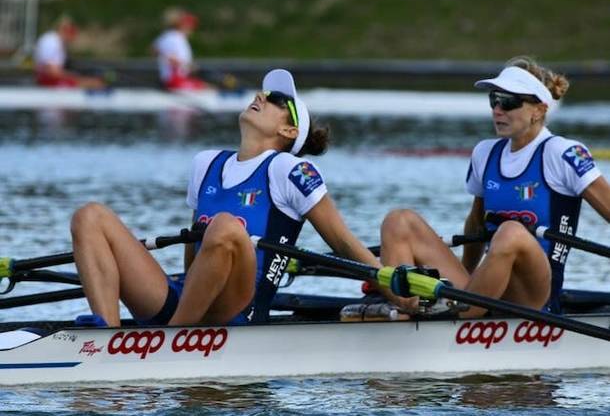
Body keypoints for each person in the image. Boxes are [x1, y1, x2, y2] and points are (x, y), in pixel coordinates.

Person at [71, 68, 380, 327]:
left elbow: (342, 243)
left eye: (276, 100)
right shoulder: (206, 163)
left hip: (237, 309)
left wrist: (388, 283)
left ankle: (174, 338)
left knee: (224, 227)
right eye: (263, 93)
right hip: (189, 298)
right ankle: (104, 337)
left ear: (288, 130)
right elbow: (193, 254)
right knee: (90, 216)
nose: (261, 96)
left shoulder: (290, 169)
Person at [379, 56, 610, 316]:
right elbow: (476, 223)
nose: (497, 110)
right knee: (399, 221)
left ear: (539, 110)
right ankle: (408, 307)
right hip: (488, 288)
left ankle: (457, 313)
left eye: (509, 102)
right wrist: (464, 278)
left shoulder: (563, 153)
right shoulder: (485, 153)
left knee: (511, 231)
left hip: (535, 293)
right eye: (494, 100)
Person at [34, 16, 105, 89]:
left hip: (51, 79)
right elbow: (52, 72)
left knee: (95, 82)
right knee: (95, 84)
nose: (73, 39)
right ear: (66, 31)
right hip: (48, 81)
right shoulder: (51, 41)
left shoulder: (57, 41)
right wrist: (77, 77)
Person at [153, 8, 207, 91]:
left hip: (180, 79)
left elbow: (155, 49)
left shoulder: (175, 37)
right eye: (189, 24)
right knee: (207, 89)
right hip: (174, 81)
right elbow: (168, 57)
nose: (191, 28)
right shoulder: (173, 37)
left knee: (207, 87)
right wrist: (188, 66)